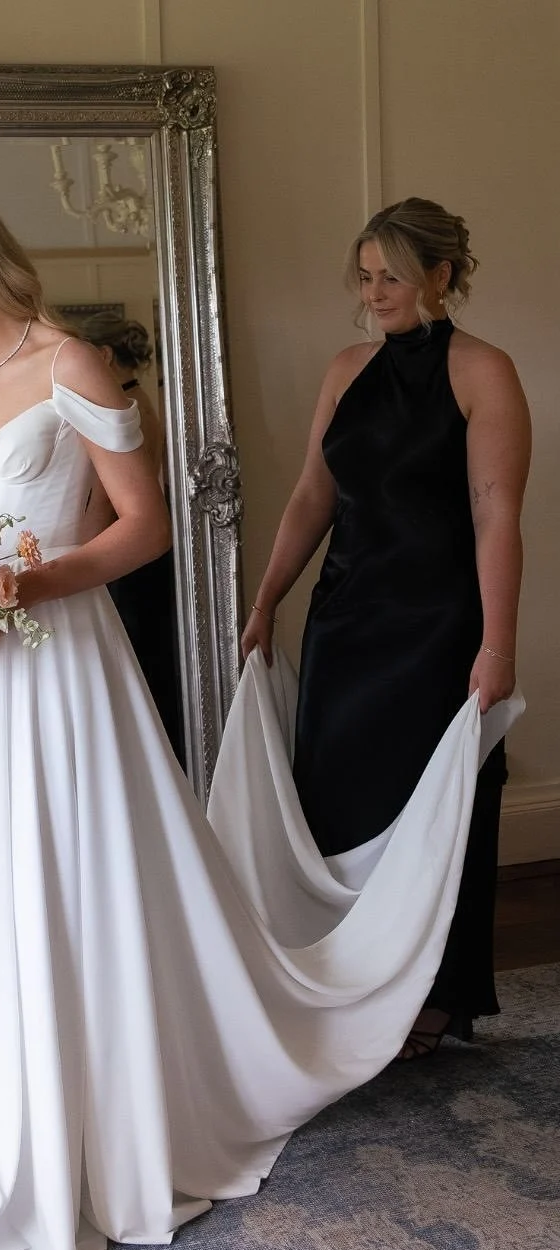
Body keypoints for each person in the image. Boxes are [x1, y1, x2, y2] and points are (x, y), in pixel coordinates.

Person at [0, 188, 500, 1250]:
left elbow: (143, 525)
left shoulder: (71, 364)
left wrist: (29, 579)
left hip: (58, 670)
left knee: (59, 883)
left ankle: (94, 1124)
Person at [241, 198, 531, 1059]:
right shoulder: (345, 368)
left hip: (437, 627)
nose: (374, 294)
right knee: (335, 808)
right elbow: (309, 497)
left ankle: (436, 1000)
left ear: (441, 276)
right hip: (345, 621)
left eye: (392, 277)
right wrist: (266, 602)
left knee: (435, 814)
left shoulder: (485, 371)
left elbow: (496, 517)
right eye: (365, 278)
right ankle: (348, 989)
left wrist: (498, 646)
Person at [77, 310, 185, 762]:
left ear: (102, 355)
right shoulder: (136, 400)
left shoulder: (126, 411)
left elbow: (105, 504)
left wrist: (78, 560)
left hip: (125, 560)